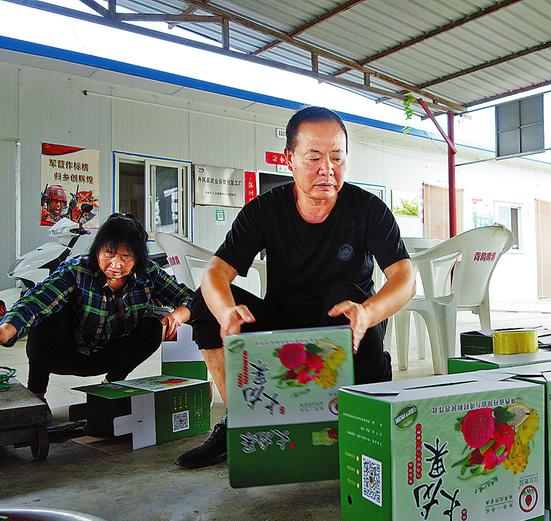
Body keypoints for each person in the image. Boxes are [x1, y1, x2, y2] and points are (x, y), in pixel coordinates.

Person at [176, 106, 415, 469]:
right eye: (314, 158)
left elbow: (405, 278)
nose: (327, 169)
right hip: (284, 323)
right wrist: (226, 312)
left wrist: (368, 312)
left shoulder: (368, 209)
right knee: (205, 302)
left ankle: (364, 422)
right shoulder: (264, 210)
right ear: (289, 158)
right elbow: (216, 272)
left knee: (346, 295)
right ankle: (241, 420)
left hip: (347, 327)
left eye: (337, 157)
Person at [0, 214, 193, 401]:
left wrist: (179, 314)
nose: (116, 264)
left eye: (126, 257)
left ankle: (111, 385)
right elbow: (38, 299)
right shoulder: (76, 270)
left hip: (110, 356)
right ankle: (36, 394)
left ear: (138, 259)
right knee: (47, 316)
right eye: (109, 254)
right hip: (67, 353)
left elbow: (190, 298)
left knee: (152, 326)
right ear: (97, 250)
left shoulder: (149, 272)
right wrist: (6, 329)